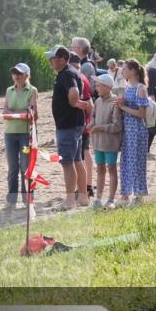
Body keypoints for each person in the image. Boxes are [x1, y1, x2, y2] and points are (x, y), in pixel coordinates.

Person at [46, 45, 90, 210]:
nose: (51, 61)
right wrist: (77, 103)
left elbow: (73, 92)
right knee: (77, 160)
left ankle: (70, 200)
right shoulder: (69, 73)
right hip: (74, 124)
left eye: (53, 58)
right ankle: (83, 197)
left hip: (68, 125)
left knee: (67, 162)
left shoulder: (66, 74)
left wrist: (75, 102)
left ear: (63, 59)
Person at [2, 63, 39, 210]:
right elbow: (5, 111)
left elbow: (33, 114)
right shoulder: (9, 90)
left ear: (27, 75)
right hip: (10, 133)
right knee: (12, 168)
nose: (16, 76)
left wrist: (14, 114)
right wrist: (18, 114)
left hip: (26, 134)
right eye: (14, 73)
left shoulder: (32, 90)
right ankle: (11, 201)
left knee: (26, 167)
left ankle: (28, 200)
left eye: (20, 73)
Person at [114, 59, 150, 205]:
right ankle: (125, 194)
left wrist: (123, 108)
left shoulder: (140, 89)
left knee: (137, 161)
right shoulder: (128, 87)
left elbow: (142, 114)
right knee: (126, 161)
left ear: (133, 71)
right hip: (128, 129)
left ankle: (139, 194)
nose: (122, 71)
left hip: (137, 129)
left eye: (125, 69)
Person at [90, 73, 123, 209]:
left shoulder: (115, 102)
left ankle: (111, 199)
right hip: (98, 142)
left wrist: (99, 127)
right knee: (100, 169)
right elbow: (93, 115)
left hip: (110, 143)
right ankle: (98, 199)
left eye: (99, 85)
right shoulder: (97, 101)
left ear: (107, 87)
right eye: (96, 85)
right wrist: (92, 123)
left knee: (112, 169)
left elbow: (117, 126)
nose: (96, 88)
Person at [69, 53, 95, 200]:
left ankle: (86, 187)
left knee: (82, 154)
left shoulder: (78, 77)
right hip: (83, 122)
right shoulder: (80, 77)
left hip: (80, 123)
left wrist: (88, 121)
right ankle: (87, 186)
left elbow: (88, 104)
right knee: (84, 153)